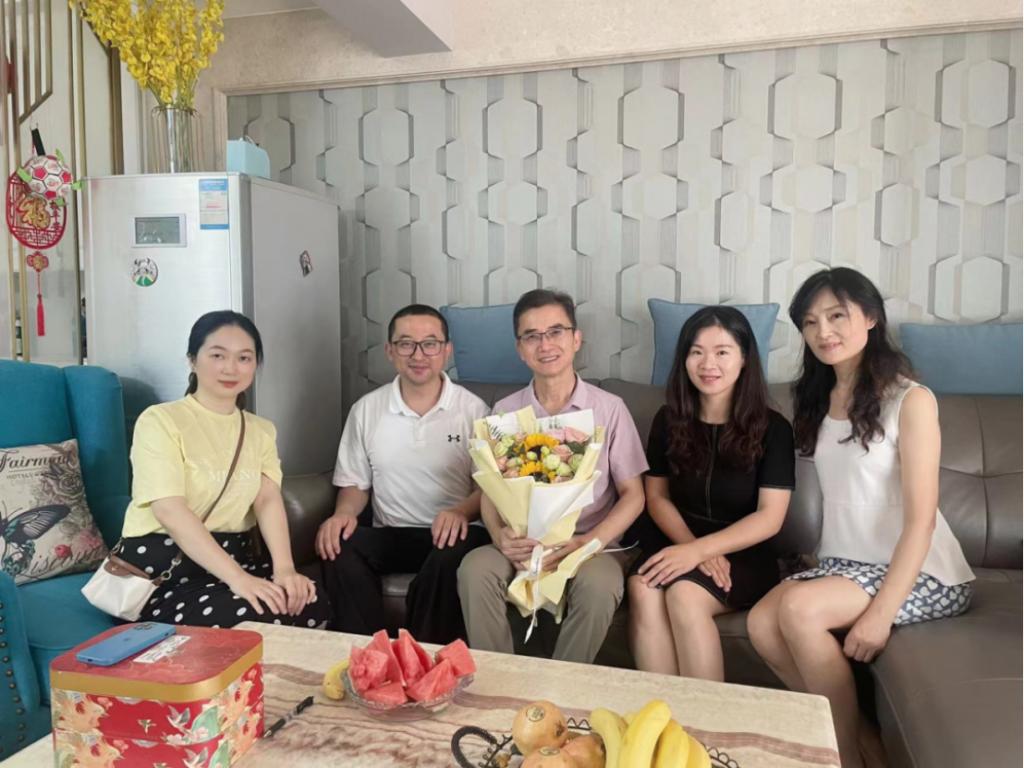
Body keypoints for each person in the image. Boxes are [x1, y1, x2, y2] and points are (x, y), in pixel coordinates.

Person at [746, 268, 975, 768]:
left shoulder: (911, 400)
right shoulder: (816, 398)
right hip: (848, 564)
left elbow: (921, 521)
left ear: (870, 317)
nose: (823, 332)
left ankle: (844, 758)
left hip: (924, 572)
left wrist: (880, 614)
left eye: (836, 316)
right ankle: (867, 745)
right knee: (761, 623)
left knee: (800, 610)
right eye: (810, 322)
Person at [457, 289, 648, 663]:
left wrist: (589, 542)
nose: (545, 345)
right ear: (520, 349)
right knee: (475, 569)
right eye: (532, 336)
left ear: (576, 339)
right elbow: (489, 490)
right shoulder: (504, 411)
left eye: (556, 332)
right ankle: (497, 684)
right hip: (522, 543)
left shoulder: (609, 409)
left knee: (599, 586)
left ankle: (562, 687)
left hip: (590, 546)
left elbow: (634, 494)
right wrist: (499, 536)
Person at [119, 310, 329, 628]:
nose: (231, 368)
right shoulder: (160, 420)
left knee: (311, 603)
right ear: (192, 360)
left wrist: (285, 570)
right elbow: (169, 510)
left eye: (244, 358)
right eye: (218, 355)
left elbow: (267, 499)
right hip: (163, 571)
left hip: (237, 559)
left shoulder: (261, 430)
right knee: (257, 617)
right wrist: (238, 580)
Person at [627, 306, 794, 681]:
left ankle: (705, 714)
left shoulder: (774, 428)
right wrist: (691, 548)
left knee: (685, 595)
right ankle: (662, 709)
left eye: (722, 352)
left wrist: (703, 551)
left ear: (744, 359)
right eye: (697, 351)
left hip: (745, 551)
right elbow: (657, 497)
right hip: (678, 538)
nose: (708, 364)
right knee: (642, 587)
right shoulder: (668, 419)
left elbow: (770, 517)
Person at [317, 304, 490, 643]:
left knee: (449, 556)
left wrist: (460, 512)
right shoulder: (367, 409)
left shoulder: (474, 411)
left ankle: (424, 656)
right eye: (406, 344)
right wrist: (343, 514)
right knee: (338, 543)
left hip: (458, 533)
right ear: (390, 350)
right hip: (393, 534)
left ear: (446, 350)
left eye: (430, 344)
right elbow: (354, 483)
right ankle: (368, 651)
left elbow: (489, 486)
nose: (418, 355)